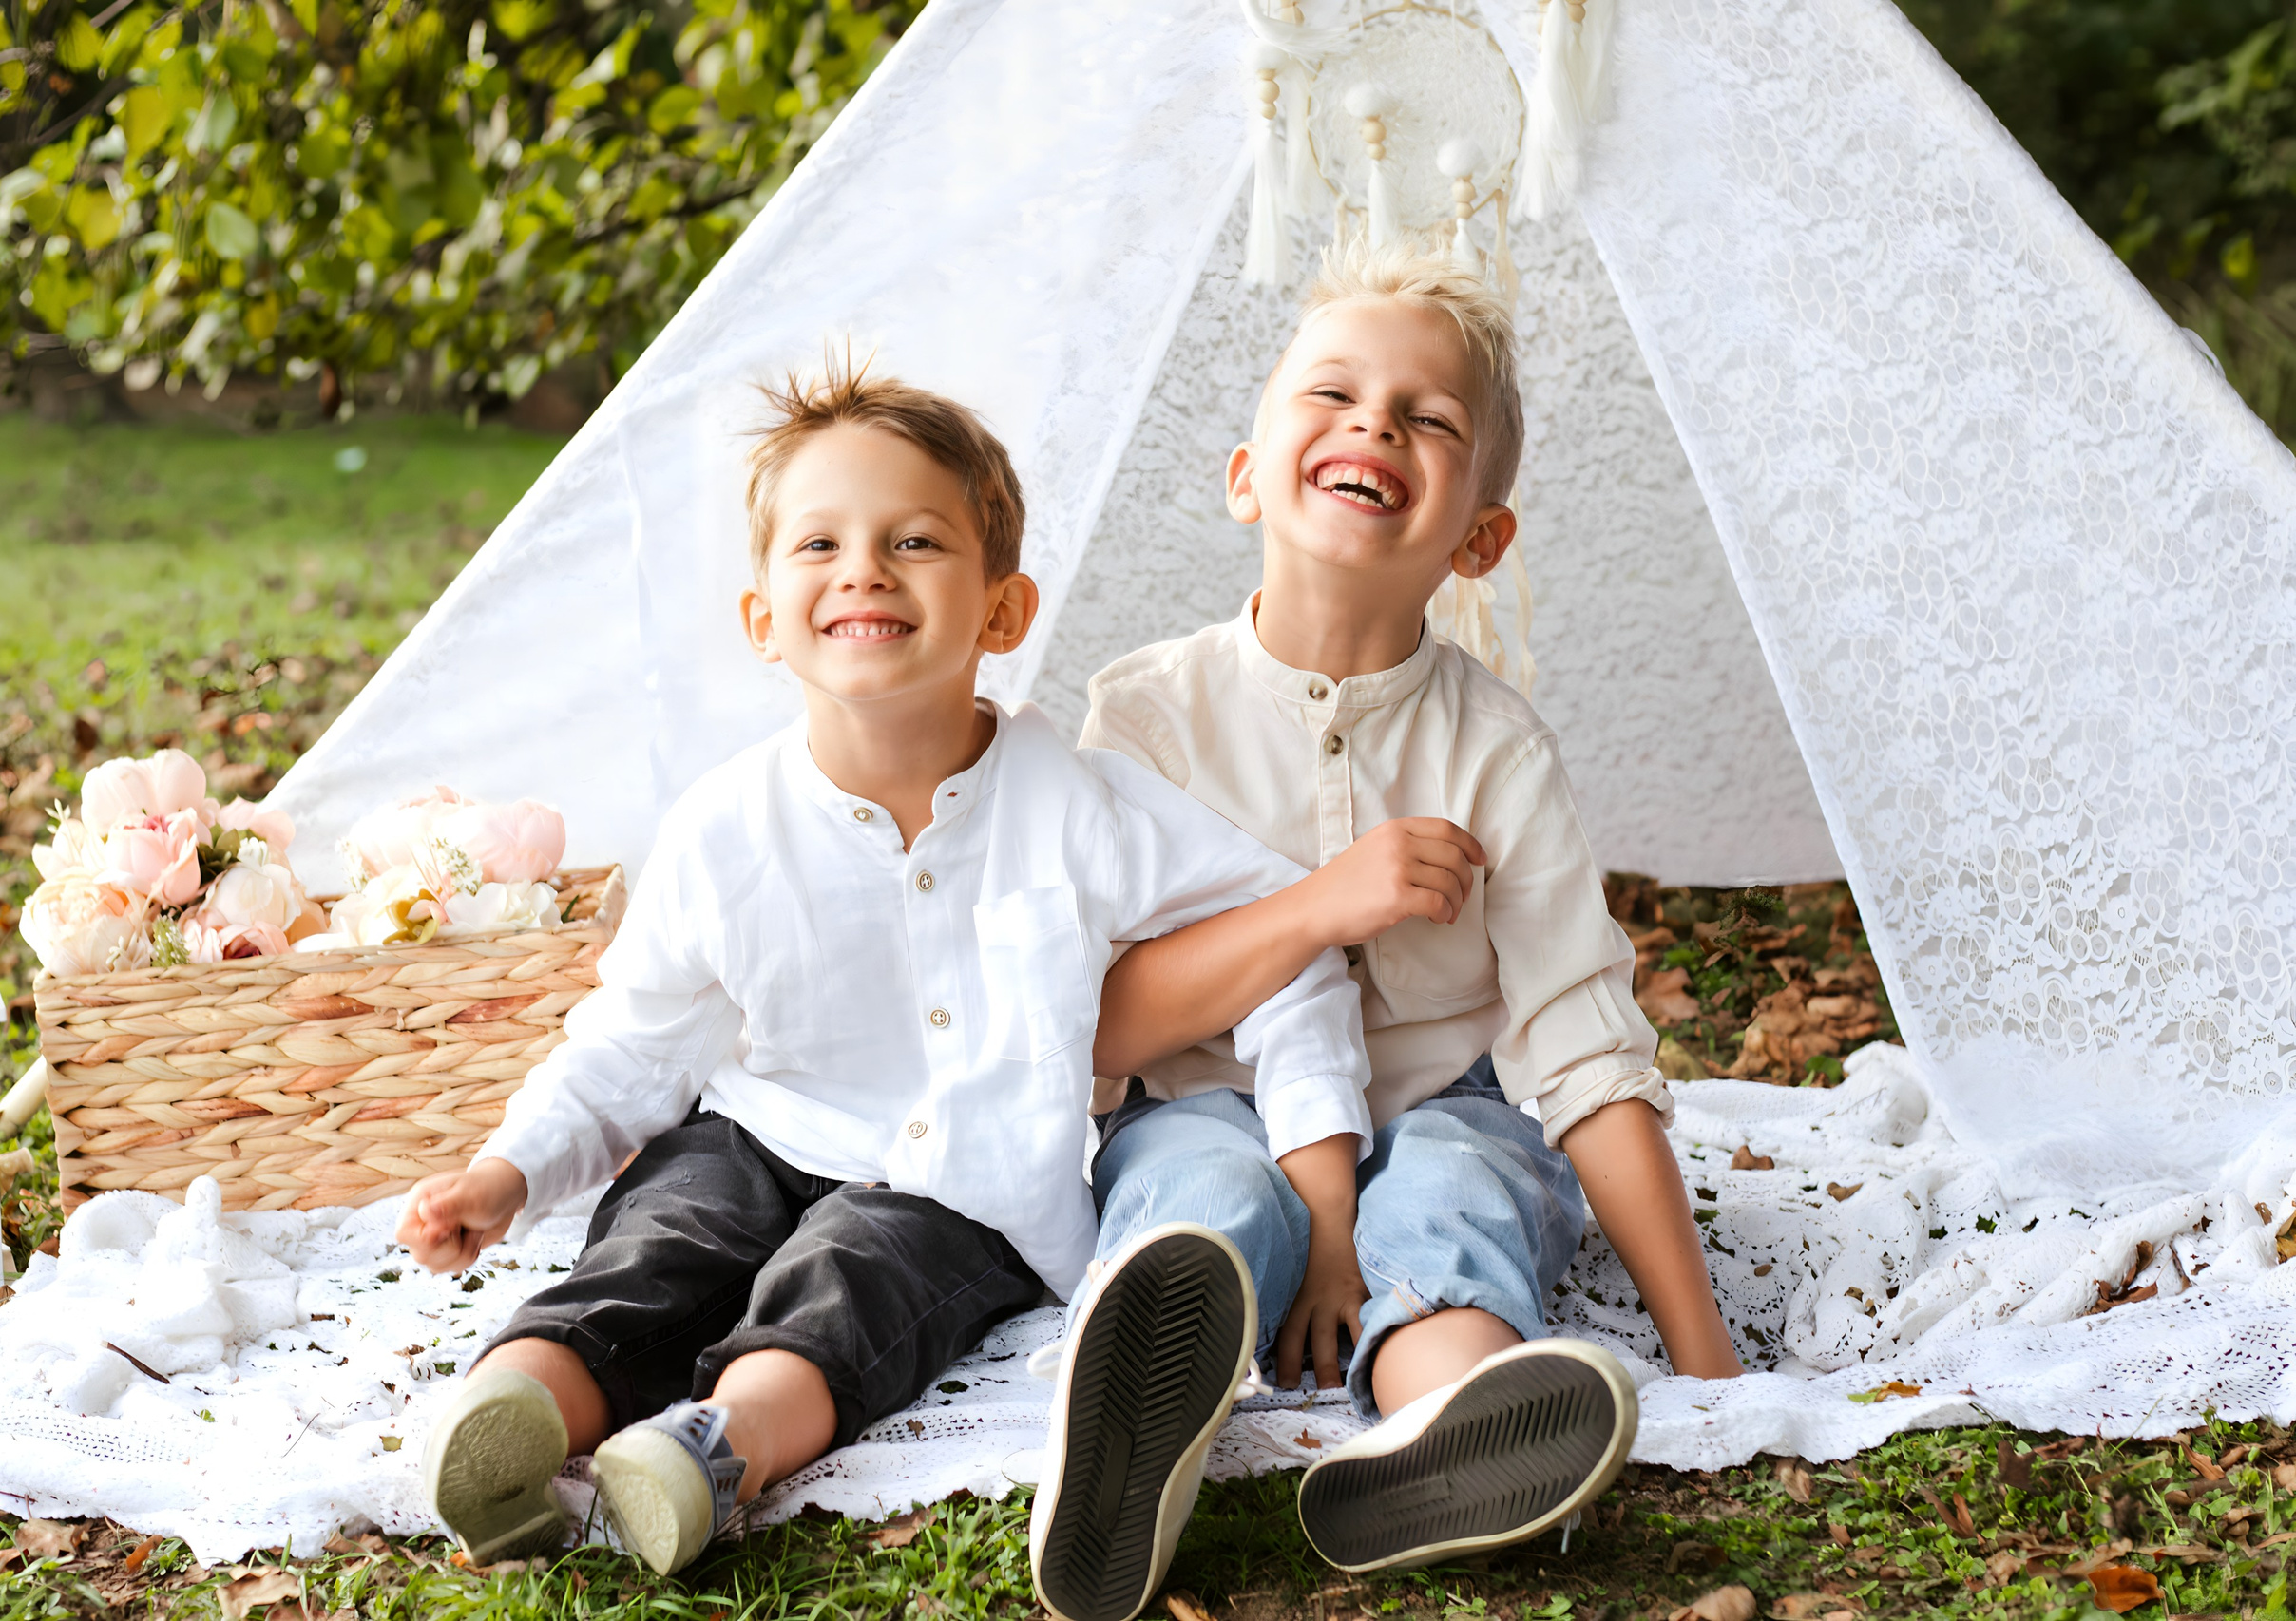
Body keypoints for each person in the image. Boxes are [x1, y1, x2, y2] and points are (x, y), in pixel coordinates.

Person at [392, 362, 1370, 1583]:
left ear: (1001, 611)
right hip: (757, 1128)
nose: (864, 568)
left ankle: (710, 1449)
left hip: (962, 1182)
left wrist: (1320, 1178)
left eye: (914, 539)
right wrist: (508, 1167)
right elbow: (630, 1044)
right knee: (663, 1240)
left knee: (848, 1283)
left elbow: (1291, 945)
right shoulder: (722, 827)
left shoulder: (1082, 805)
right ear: (763, 617)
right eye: (820, 542)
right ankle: (508, 1413)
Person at [1076, 238, 1745, 1578]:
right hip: (1211, 1099)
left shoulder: (1497, 750)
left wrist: (1709, 1357)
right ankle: (1134, 1447)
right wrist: (1327, 902)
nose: (1373, 421)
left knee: (1457, 1193)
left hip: (1451, 1094)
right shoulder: (1144, 714)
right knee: (1200, 1188)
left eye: (1428, 418)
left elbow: (1584, 1049)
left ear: (1478, 537)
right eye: (1331, 394)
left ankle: (1444, 1435)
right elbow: (1101, 1026)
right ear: (1246, 472)